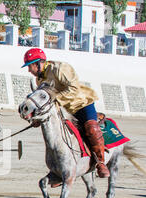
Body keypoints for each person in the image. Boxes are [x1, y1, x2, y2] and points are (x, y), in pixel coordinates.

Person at [22, 48, 110, 178]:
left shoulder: (60, 68)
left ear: (38, 63)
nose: (29, 70)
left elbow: (73, 89)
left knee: (91, 129)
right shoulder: (39, 80)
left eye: (30, 67)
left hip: (82, 104)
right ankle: (61, 170)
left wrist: (55, 98)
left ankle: (100, 163)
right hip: (65, 110)